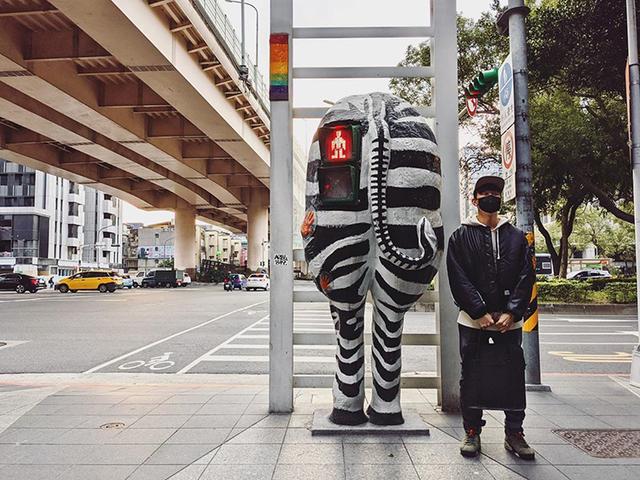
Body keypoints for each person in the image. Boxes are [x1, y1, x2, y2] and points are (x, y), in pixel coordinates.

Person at [447, 175, 536, 460]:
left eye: (494, 193)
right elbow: (457, 277)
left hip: (511, 323)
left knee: (514, 374)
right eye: (484, 193)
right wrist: (480, 312)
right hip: (473, 322)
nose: (490, 197)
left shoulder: (516, 236)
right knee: (470, 374)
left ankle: (514, 432)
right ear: (474, 200)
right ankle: (472, 432)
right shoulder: (460, 236)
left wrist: (512, 312)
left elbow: (526, 276)